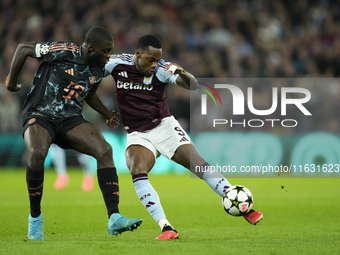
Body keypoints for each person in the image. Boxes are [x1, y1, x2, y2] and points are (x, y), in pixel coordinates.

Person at [104, 34, 263, 240]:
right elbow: (90, 70)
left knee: (200, 166)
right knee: (137, 169)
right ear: (138, 54)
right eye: (150, 59)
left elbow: (192, 85)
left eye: (157, 59)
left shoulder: (163, 69)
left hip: (164, 127)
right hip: (137, 133)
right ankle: (166, 227)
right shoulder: (116, 64)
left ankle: (246, 210)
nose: (155, 64)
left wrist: (183, 72)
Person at [5, 26, 142, 241]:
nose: (108, 55)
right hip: (40, 114)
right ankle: (35, 217)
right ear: (90, 48)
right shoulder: (64, 50)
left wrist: (107, 113)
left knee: (104, 150)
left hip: (70, 118)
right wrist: (12, 82)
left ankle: (114, 217)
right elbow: (23, 49)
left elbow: (88, 93)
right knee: (38, 153)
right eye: (105, 51)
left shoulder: (97, 68)